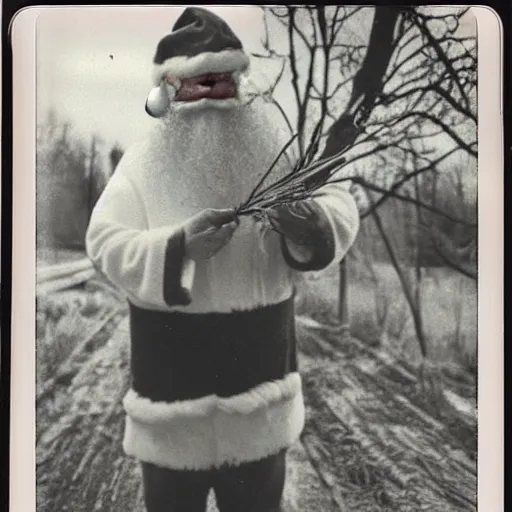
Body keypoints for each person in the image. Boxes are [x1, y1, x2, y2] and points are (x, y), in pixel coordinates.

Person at [85, 7, 360, 512]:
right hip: (172, 408)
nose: (212, 93)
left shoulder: (278, 148)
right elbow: (102, 241)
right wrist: (175, 248)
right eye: (197, 83)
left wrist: (313, 223)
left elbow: (342, 203)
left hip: (260, 397)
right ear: (167, 88)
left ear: (239, 80)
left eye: (222, 81)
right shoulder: (142, 161)